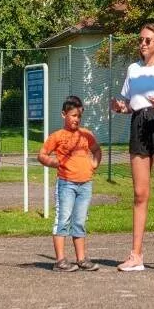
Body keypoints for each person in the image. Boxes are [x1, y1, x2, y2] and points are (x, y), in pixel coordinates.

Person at [109, 23, 154, 273]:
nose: (142, 44)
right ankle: (136, 255)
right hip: (138, 124)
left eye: (147, 40)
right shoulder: (133, 70)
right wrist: (121, 108)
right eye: (140, 40)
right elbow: (132, 104)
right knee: (140, 194)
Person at [38, 95, 103, 272]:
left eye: (79, 116)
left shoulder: (86, 135)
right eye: (73, 115)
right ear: (64, 115)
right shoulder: (57, 136)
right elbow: (42, 154)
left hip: (85, 184)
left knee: (80, 221)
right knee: (63, 219)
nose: (76, 119)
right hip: (66, 184)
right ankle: (60, 260)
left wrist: (94, 164)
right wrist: (52, 162)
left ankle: (81, 259)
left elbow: (97, 150)